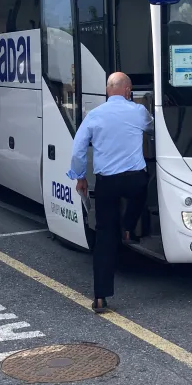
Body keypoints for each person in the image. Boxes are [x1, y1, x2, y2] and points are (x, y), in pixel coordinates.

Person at [67, 72, 153, 313]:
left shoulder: (94, 115)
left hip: (107, 183)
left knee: (105, 237)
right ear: (128, 91)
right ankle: (128, 227)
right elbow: (156, 130)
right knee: (141, 192)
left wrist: (80, 176)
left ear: (107, 91)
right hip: (135, 179)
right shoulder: (138, 112)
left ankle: (100, 297)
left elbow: (78, 150)